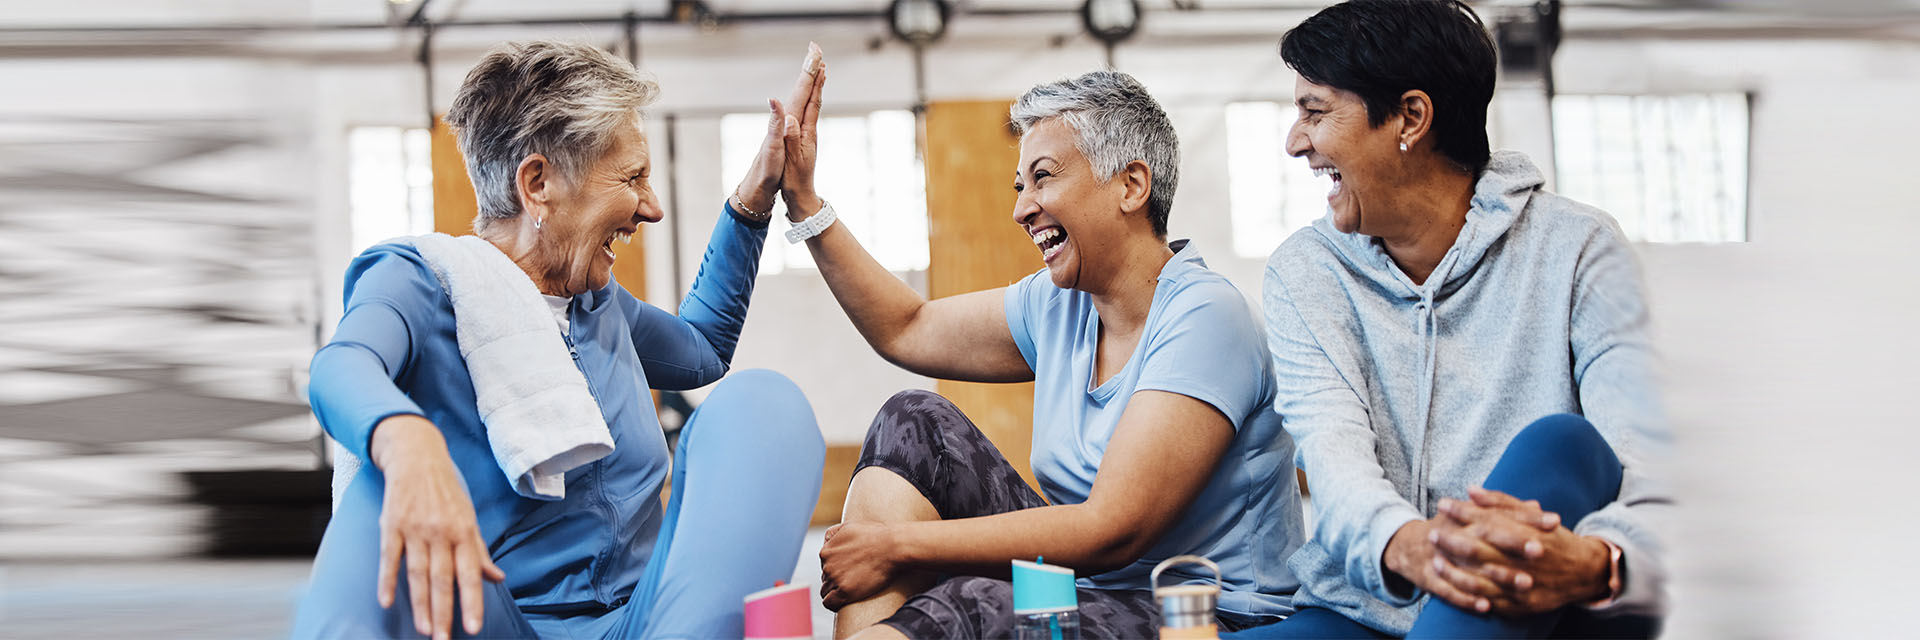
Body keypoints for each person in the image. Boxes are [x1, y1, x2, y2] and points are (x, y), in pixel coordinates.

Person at [290, 41, 827, 639]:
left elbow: (702, 349)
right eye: (632, 177)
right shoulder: (420, 282)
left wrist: (755, 198)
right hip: (493, 623)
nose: (651, 209)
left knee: (763, 405)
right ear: (538, 183)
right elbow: (342, 365)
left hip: (647, 623)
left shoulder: (598, 303)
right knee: (377, 488)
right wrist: (408, 442)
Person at [785, 61, 1307, 639]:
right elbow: (906, 328)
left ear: (1131, 186)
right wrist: (807, 205)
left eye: (1043, 177)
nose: (1021, 207)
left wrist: (897, 546)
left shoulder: (1207, 317)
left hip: (1212, 612)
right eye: (1020, 186)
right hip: (1090, 593)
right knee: (914, 421)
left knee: (971, 604)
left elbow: (1114, 530)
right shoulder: (1059, 305)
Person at [1226, 1, 1670, 638]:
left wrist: (1604, 560)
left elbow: (1644, 460)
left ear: (1411, 116)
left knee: (1563, 444)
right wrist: (1413, 546)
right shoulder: (1305, 271)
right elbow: (1333, 459)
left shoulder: (1578, 250)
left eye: (1314, 111)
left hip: (1533, 601)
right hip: (1367, 606)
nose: (1295, 141)